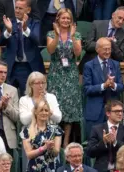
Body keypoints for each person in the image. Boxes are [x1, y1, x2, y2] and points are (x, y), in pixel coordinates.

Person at [46, 8, 82, 148]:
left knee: (69, 107)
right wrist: (56, 35)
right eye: (63, 18)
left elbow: (78, 53)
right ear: (58, 20)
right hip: (56, 73)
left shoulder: (76, 34)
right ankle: (55, 139)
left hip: (71, 73)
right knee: (55, 105)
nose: (66, 21)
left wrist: (72, 36)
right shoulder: (51, 33)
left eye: (68, 18)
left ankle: (66, 141)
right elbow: (50, 50)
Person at [0, 0, 44, 97]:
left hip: (29, 67)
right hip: (12, 67)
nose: (17, 11)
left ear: (28, 10)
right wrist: (8, 31)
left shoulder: (35, 23)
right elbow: (1, 42)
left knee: (28, 98)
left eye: (20, 8)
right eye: (16, 8)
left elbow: (37, 40)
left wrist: (25, 29)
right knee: (8, 98)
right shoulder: (9, 22)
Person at [83, 37, 124, 139]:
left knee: (113, 143)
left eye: (109, 49)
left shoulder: (115, 64)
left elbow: (121, 86)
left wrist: (113, 85)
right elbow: (87, 89)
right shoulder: (89, 66)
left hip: (112, 112)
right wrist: (103, 86)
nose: (107, 52)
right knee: (94, 143)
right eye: (105, 49)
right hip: (95, 112)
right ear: (97, 49)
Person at [20, 100, 62, 172]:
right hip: (34, 170)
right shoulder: (27, 131)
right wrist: (43, 148)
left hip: (51, 170)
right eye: (41, 110)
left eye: (46, 110)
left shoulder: (55, 130)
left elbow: (56, 152)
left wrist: (50, 148)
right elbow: (29, 154)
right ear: (35, 112)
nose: (44, 113)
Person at [79, 7, 124, 73]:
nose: (121, 21)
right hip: (90, 66)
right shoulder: (97, 24)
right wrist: (103, 42)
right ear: (113, 15)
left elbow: (120, 57)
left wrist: (112, 43)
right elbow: (87, 45)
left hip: (108, 70)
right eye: (119, 18)